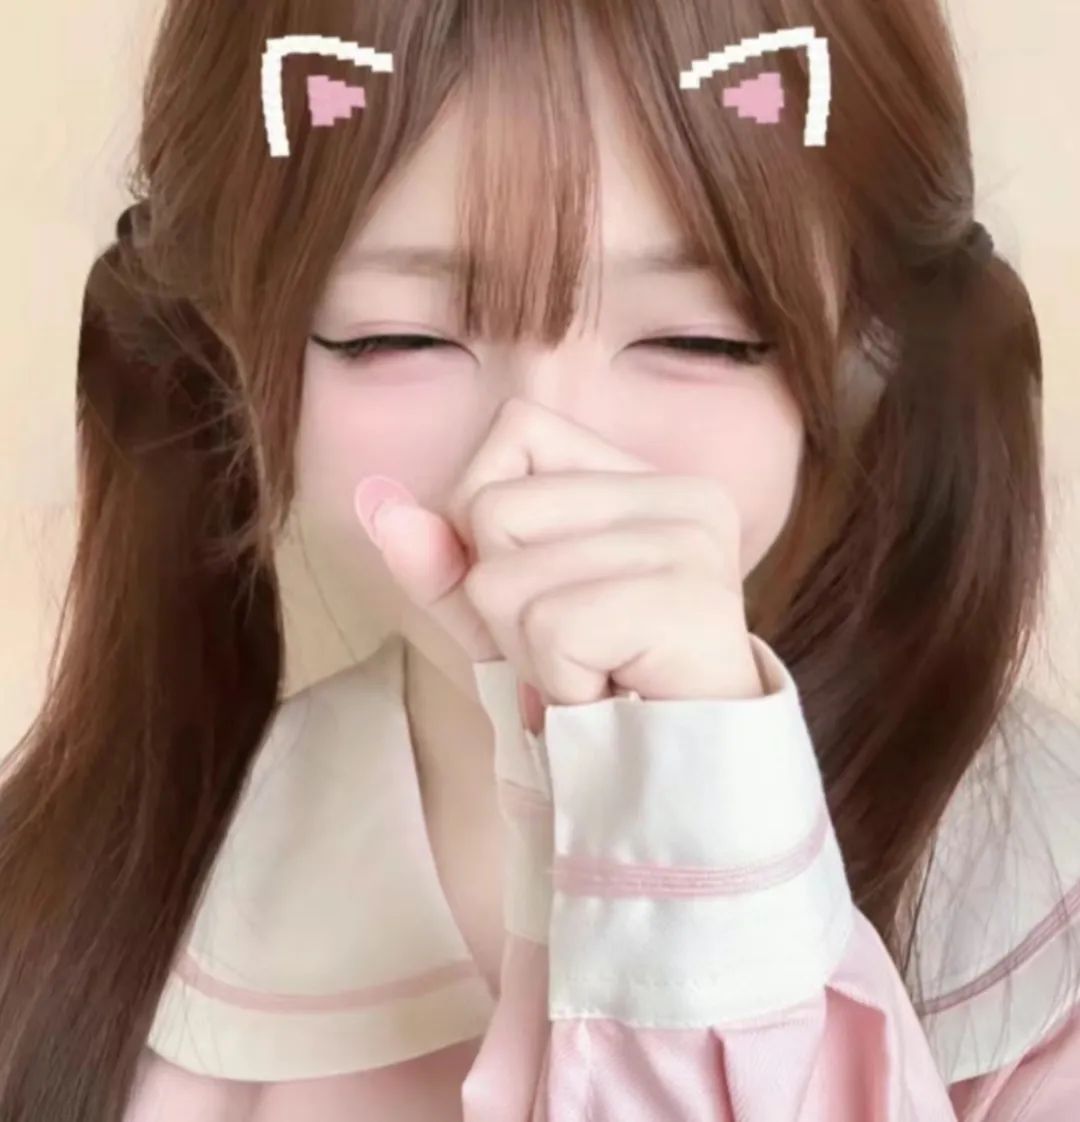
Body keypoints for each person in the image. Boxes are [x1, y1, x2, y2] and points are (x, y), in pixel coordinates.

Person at [1, 0, 1077, 1118]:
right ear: (227, 351)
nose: (540, 450)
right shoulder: (62, 933)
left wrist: (704, 843)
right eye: (398, 335)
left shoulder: (1039, 918)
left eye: (700, 337)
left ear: (866, 354)